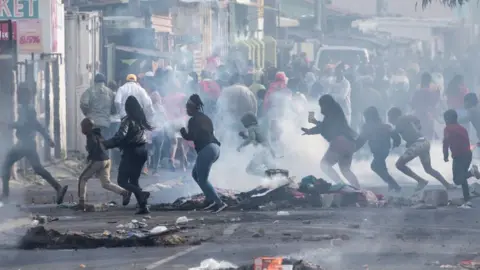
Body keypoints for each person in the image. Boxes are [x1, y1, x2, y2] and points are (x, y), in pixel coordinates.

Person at [2, 84, 68, 203]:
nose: (17, 96)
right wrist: (48, 139)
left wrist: (9, 125)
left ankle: (5, 196)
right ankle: (58, 187)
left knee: (6, 164)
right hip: (28, 144)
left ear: (23, 95)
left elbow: (24, 124)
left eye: (19, 94)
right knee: (37, 168)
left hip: (24, 144)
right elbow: (37, 125)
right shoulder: (29, 108)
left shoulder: (25, 109)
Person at [103, 96, 152, 214]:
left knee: (122, 181)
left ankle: (141, 194)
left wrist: (106, 144)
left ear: (127, 108)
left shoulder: (128, 120)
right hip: (143, 151)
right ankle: (143, 206)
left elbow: (120, 137)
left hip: (132, 152)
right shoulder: (141, 120)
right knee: (134, 180)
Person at [180, 94, 227, 213]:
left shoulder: (193, 120)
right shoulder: (206, 118)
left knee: (202, 179)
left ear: (192, 107)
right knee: (196, 174)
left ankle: (219, 203)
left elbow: (192, 136)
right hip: (215, 148)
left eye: (187, 108)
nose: (186, 110)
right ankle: (210, 200)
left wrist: (183, 133)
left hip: (207, 149)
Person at [387, 107, 454, 191]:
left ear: (393, 116)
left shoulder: (400, 120)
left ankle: (420, 181)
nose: (389, 120)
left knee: (399, 164)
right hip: (424, 142)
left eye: (389, 117)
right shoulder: (405, 119)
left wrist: (388, 130)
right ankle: (447, 184)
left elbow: (395, 132)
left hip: (419, 144)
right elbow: (415, 120)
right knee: (428, 169)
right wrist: (416, 129)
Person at [301, 95, 360, 188]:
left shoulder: (332, 114)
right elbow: (326, 126)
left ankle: (341, 185)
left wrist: (310, 130)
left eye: (322, 105)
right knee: (345, 169)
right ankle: (357, 189)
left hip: (340, 142)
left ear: (326, 104)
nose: (321, 108)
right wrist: (314, 124)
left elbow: (324, 127)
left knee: (325, 165)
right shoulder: (336, 112)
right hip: (349, 143)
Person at [77, 118, 128, 210]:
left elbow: (94, 149)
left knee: (82, 178)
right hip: (107, 160)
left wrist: (88, 158)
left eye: (83, 127)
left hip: (98, 160)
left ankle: (81, 202)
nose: (82, 130)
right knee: (106, 183)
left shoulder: (90, 136)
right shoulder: (97, 134)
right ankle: (124, 193)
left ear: (88, 127)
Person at [356, 106, 402, 192]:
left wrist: (354, 149)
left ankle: (395, 185)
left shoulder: (369, 127)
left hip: (380, 151)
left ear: (369, 117)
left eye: (366, 117)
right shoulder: (384, 126)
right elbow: (395, 135)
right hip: (384, 150)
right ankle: (391, 185)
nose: (365, 119)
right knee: (381, 167)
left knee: (375, 166)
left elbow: (361, 141)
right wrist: (396, 142)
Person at [443, 109, 480, 209]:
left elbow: (445, 143)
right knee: (463, 178)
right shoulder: (462, 128)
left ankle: (472, 172)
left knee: (457, 180)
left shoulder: (448, 128)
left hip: (459, 156)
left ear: (448, 118)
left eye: (445, 119)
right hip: (468, 154)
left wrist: (445, 155)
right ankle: (467, 199)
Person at [237, 112, 276, 176]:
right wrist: (272, 152)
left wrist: (240, 146)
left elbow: (251, 138)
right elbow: (260, 140)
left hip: (261, 151)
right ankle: (279, 177)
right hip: (266, 150)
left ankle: (268, 176)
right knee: (271, 167)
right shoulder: (259, 128)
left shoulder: (251, 128)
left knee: (249, 170)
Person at [411, 72, 441, 140]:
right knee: (428, 137)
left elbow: (413, 104)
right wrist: (438, 92)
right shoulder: (432, 92)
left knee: (419, 136)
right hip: (428, 116)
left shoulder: (417, 92)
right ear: (430, 81)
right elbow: (434, 103)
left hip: (418, 116)